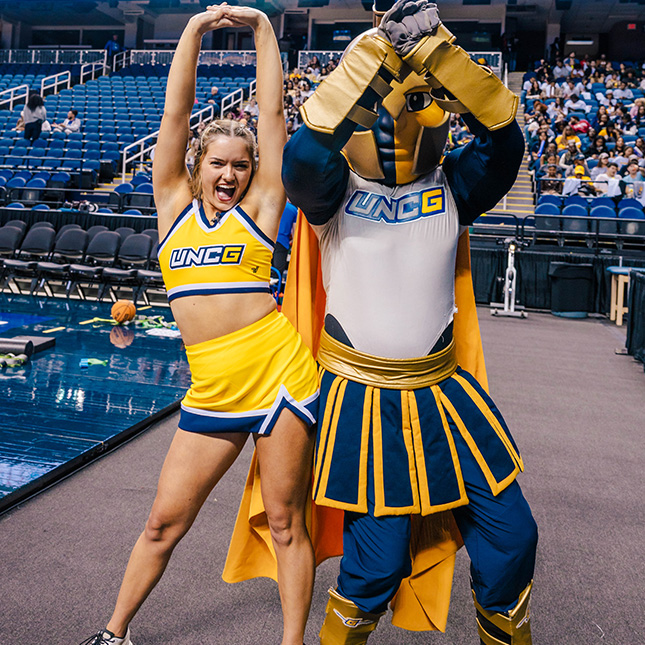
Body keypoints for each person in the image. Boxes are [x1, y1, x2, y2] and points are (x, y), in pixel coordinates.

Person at [281, 0, 538, 643]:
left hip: (446, 391)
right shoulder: (334, 197)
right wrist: (369, 56)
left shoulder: (455, 187)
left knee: (513, 538)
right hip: (362, 395)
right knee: (377, 565)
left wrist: (440, 54)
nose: (397, 119)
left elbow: (505, 140)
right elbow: (305, 158)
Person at [79, 6, 319, 645]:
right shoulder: (171, 209)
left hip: (279, 379)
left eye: (241, 165)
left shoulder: (264, 209)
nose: (231, 175)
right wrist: (192, 34)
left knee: (288, 523)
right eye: (218, 164)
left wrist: (265, 30)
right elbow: (173, 117)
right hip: (211, 391)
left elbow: (271, 120)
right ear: (197, 167)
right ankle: (114, 634)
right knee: (162, 522)